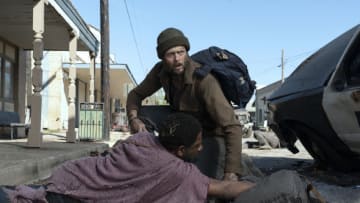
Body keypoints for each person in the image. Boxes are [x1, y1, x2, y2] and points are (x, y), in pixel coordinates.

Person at [1, 113, 255, 203]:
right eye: (197, 146)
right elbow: (225, 187)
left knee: (18, 191)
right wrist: (264, 188)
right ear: (180, 150)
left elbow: (121, 147)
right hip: (70, 197)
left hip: (71, 174)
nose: (201, 150)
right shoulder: (178, 171)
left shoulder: (144, 139)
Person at [126, 27, 243, 181]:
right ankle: (154, 157)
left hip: (208, 135)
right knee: (142, 114)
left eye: (181, 52)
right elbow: (135, 94)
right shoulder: (160, 71)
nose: (177, 59)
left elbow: (232, 126)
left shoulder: (204, 81)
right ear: (162, 58)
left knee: (195, 182)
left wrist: (231, 172)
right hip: (182, 124)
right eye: (171, 54)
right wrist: (133, 119)